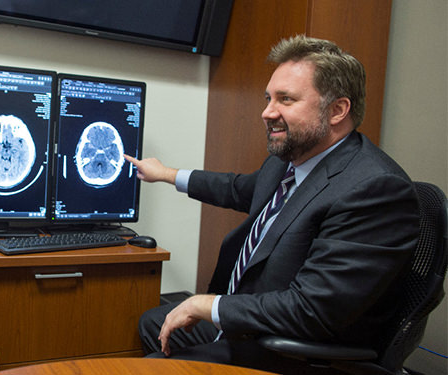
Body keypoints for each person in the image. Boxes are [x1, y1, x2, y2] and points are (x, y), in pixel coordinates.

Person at [126, 35, 419, 375]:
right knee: (154, 323)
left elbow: (313, 310)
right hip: (260, 318)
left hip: (296, 349)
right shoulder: (292, 161)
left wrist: (209, 304)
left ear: (338, 110)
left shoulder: (374, 190)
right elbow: (238, 188)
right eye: (268, 98)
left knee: (149, 369)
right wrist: (166, 174)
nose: (267, 112)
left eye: (286, 100)